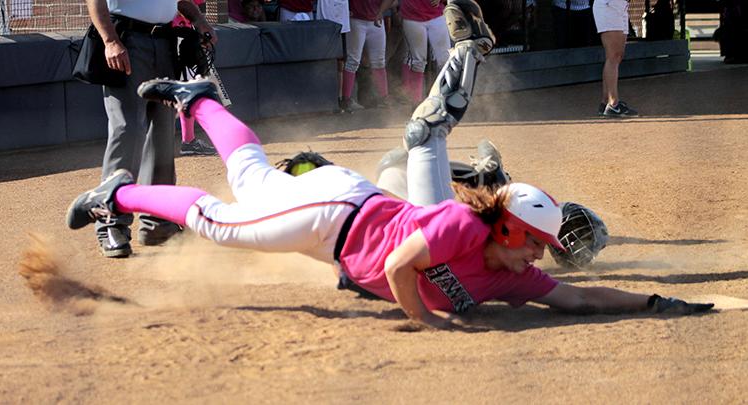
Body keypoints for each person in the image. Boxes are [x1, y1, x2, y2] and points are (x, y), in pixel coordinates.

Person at [67, 0, 711, 328]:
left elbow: (576, 297)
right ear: (506, 228)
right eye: (535, 244)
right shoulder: (469, 231)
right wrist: (430, 324)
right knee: (222, 220)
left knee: (251, 174)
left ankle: (200, 101)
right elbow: (403, 269)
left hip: (342, 206)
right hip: (332, 217)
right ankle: (118, 195)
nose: (539, 258)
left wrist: (650, 300)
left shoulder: (509, 278)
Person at [84, 0, 216, 258]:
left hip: (164, 42)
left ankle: (158, 223)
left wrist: (198, 19)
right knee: (128, 131)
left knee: (162, 135)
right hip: (126, 40)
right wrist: (110, 40)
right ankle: (111, 223)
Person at [340, 0, 396, 112]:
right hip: (356, 19)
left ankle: (384, 97)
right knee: (353, 61)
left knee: (378, 62)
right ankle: (346, 99)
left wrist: (381, 12)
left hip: (374, 19)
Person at [399, 0, 451, 105]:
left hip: (436, 16)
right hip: (412, 17)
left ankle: (447, 97)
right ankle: (416, 101)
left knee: (445, 59)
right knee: (418, 61)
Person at [593, 0, 638, 117]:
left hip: (621, 6)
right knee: (613, 56)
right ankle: (613, 104)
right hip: (609, 5)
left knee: (617, 56)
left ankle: (605, 102)